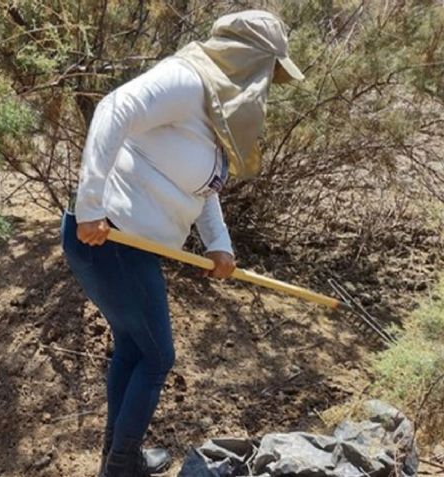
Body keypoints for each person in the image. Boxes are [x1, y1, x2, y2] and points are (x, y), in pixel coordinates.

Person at [60, 10, 305, 477]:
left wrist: (219, 245)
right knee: (158, 356)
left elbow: (202, 188)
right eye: (269, 71)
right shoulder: (186, 80)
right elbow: (115, 107)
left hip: (129, 246)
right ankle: (120, 468)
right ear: (249, 59)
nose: (268, 84)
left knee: (134, 349)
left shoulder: (214, 107)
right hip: (109, 236)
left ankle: (118, 458)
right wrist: (91, 204)